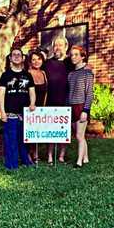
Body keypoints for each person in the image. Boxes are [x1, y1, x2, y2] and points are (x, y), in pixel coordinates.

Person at [0, 47, 36, 170]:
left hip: (25, 114)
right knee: (11, 140)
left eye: (19, 54)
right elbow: (1, 94)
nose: (16, 56)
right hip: (10, 114)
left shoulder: (27, 75)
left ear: (23, 58)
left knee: (24, 140)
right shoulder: (5, 75)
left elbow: (32, 92)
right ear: (10, 58)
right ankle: (12, 165)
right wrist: (2, 111)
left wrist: (33, 103)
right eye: (14, 55)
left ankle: (26, 161)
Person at [43, 36, 73, 164]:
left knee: (63, 130)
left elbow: (82, 66)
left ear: (66, 47)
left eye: (60, 45)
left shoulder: (69, 63)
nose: (58, 48)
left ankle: (61, 156)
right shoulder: (47, 63)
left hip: (65, 101)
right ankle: (50, 156)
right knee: (50, 130)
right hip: (49, 101)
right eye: (55, 45)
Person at [67, 45, 94, 168]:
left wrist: (86, 110)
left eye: (76, 54)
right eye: (72, 54)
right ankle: (86, 158)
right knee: (80, 135)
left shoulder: (87, 73)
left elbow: (89, 93)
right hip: (71, 106)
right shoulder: (71, 74)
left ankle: (79, 162)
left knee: (79, 135)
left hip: (81, 106)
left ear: (82, 56)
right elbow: (69, 92)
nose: (73, 57)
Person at [27, 49, 48, 164]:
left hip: (41, 107)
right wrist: (31, 105)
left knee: (36, 131)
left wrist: (43, 107)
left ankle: (35, 153)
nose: (36, 61)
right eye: (33, 59)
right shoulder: (28, 73)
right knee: (29, 131)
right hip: (30, 106)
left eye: (38, 59)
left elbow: (46, 92)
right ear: (30, 62)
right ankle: (28, 154)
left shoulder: (43, 73)